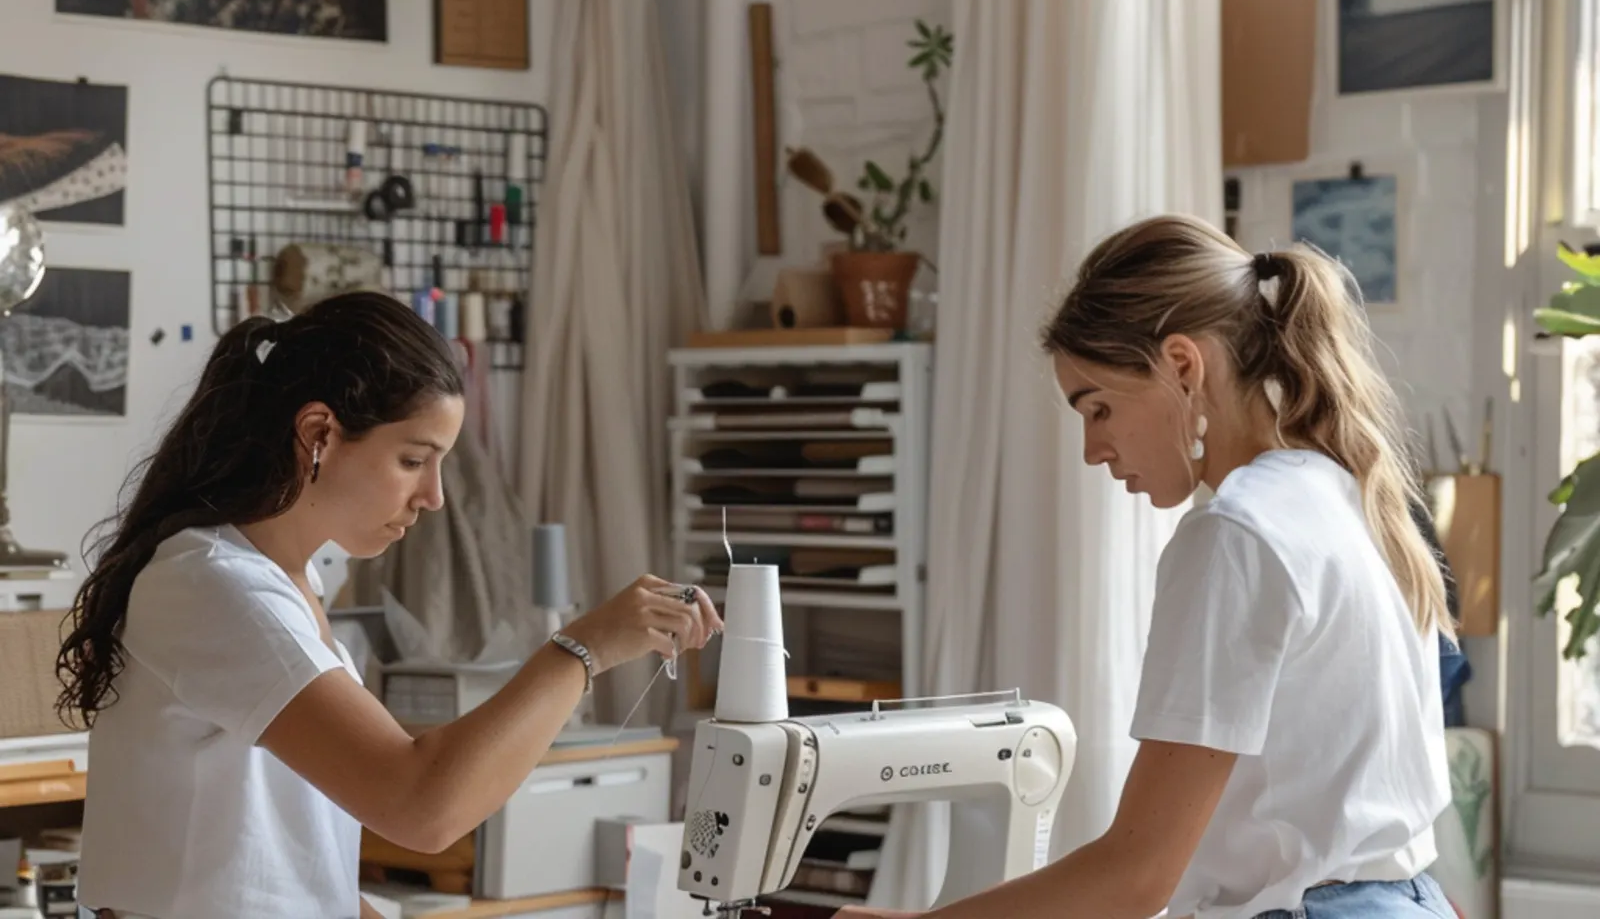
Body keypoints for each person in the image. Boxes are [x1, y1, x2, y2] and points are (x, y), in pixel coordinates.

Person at [842, 215, 1456, 919]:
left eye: (1097, 408)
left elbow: (1136, 877)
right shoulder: (1344, 492)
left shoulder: (1236, 536)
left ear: (1183, 366)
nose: (1091, 450)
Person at [55, 291, 721, 919]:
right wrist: (584, 649)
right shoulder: (213, 587)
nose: (433, 496)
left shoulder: (290, 583)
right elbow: (420, 805)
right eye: (412, 460)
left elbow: (285, 871)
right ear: (319, 432)